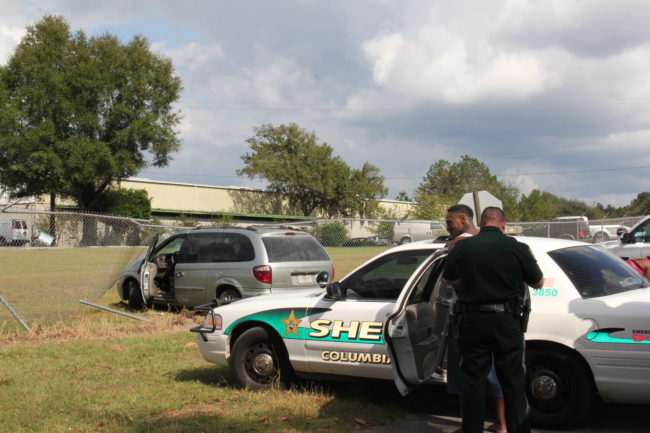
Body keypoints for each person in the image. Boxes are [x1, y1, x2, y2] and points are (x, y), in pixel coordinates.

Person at [443, 207, 544, 433]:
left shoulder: (462, 247)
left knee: (473, 382)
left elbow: (448, 278)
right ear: (503, 225)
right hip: (507, 322)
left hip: (472, 321)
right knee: (513, 382)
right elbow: (538, 283)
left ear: (481, 222)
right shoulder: (517, 248)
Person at [444, 204, 507, 433]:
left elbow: (450, 278)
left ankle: (470, 425)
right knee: (495, 372)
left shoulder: (460, 244)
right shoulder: (492, 241)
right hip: (499, 317)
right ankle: (502, 424)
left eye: (450, 222)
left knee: (468, 374)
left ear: (463, 218)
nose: (447, 226)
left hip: (466, 316)